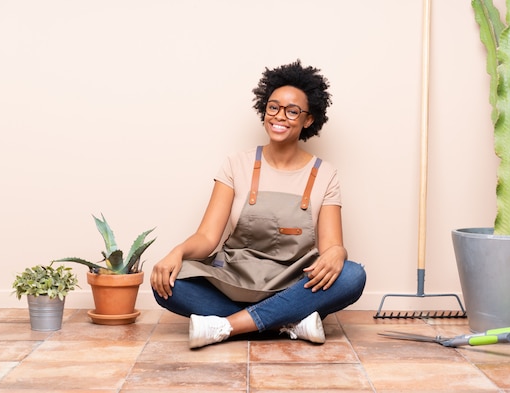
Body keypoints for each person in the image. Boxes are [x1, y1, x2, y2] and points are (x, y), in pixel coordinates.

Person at [150, 60, 367, 348]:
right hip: (234, 280)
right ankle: (288, 322)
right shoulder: (235, 164)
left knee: (353, 276)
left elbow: (331, 248)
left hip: (293, 284)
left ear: (308, 120)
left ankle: (228, 326)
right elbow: (207, 237)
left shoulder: (325, 174)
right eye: (273, 107)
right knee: (166, 284)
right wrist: (176, 253)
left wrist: (338, 252)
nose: (280, 116)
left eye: (292, 111)